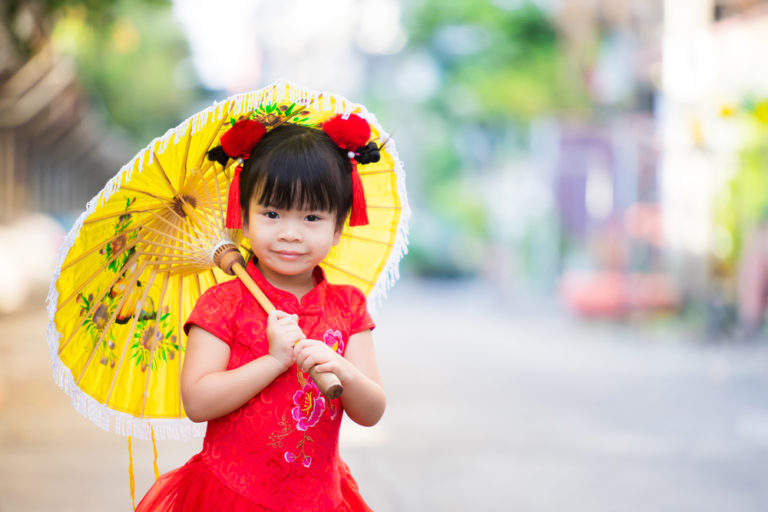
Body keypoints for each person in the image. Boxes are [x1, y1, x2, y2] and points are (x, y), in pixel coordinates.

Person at [135, 112, 386, 511]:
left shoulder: (348, 305)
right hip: (229, 496)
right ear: (244, 218)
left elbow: (371, 411)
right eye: (271, 214)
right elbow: (197, 402)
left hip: (319, 498)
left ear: (339, 227)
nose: (290, 232)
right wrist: (274, 360)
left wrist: (343, 370)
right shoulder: (222, 304)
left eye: (312, 217)